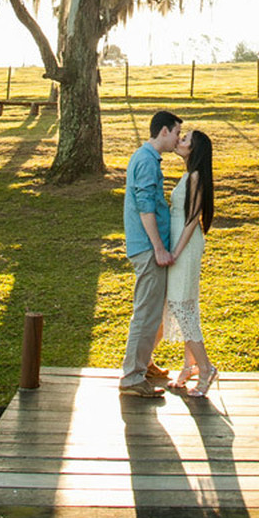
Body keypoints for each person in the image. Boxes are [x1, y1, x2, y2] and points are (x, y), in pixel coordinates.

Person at [119, 110, 182, 397]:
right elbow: (145, 207)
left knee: (154, 310)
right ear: (164, 132)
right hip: (147, 248)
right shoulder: (146, 161)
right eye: (177, 133)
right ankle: (132, 377)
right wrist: (158, 247)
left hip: (151, 247)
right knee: (146, 312)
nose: (178, 138)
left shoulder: (147, 158)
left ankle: (145, 363)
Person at [161, 128, 218, 398]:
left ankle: (206, 368)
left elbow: (192, 219)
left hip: (186, 245)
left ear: (194, 150)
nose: (180, 141)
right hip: (181, 244)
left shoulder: (196, 176)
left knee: (181, 305)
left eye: (185, 140)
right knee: (186, 305)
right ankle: (189, 365)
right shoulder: (188, 175)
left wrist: (175, 252)